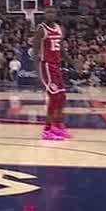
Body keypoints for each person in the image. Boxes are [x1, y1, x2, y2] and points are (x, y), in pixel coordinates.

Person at [33, 8, 68, 140]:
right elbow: (35, 51)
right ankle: (47, 130)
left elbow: (62, 49)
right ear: (44, 15)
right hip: (46, 66)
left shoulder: (60, 28)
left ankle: (58, 126)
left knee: (62, 97)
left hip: (56, 66)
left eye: (53, 12)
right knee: (54, 97)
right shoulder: (41, 29)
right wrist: (37, 72)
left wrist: (73, 62)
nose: (50, 14)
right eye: (48, 12)